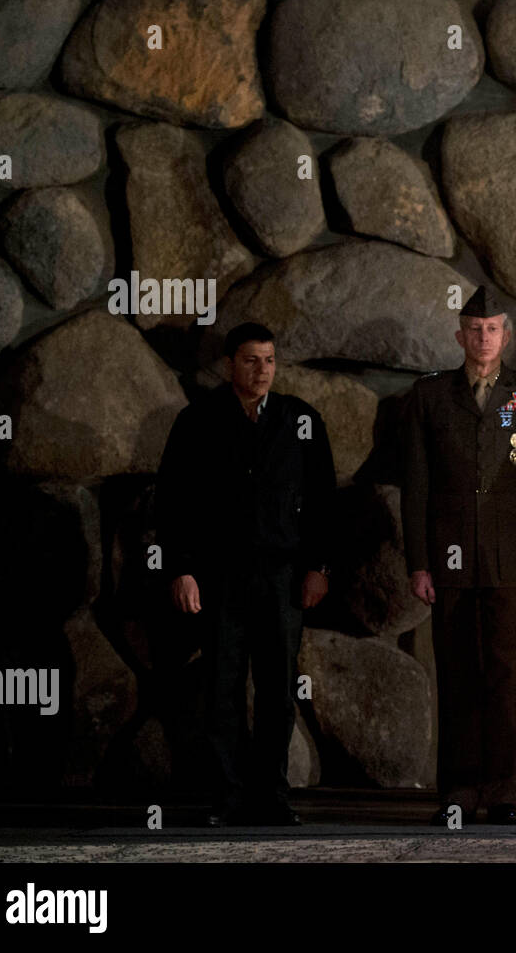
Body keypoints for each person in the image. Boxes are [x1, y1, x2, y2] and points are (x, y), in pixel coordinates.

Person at [156, 321, 336, 827]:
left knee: (278, 690)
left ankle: (272, 796)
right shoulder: (198, 420)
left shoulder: (301, 420)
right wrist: (182, 570)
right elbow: (173, 502)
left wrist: (318, 568)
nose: (262, 371)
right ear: (230, 364)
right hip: (218, 577)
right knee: (222, 685)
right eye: (252, 360)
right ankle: (228, 796)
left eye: (270, 360)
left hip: (282, 576)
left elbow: (323, 500)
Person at [402, 286, 516, 826]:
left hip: (513, 563)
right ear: (459, 335)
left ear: (505, 335)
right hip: (451, 561)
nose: (483, 337)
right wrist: (418, 562)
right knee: (458, 673)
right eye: (474, 328)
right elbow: (416, 484)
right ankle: (459, 791)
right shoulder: (431, 396)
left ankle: (507, 792)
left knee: (508, 677)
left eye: (493, 328)